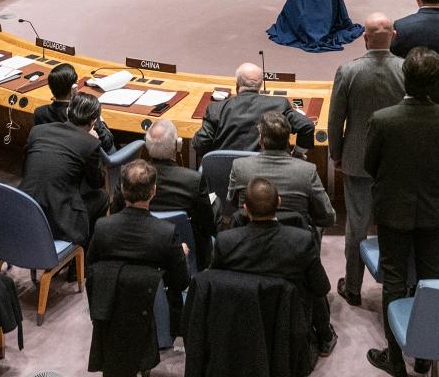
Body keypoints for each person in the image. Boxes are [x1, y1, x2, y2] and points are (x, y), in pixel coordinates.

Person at [365, 47, 439, 377]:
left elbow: (370, 165)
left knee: (393, 279)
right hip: (434, 211)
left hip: (393, 210)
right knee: (429, 279)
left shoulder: (383, 119)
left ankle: (394, 359)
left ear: (404, 77)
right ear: (437, 82)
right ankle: (425, 354)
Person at [327, 12, 405, 306]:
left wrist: (337, 154)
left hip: (357, 160)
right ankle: (394, 286)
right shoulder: (407, 70)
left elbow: (336, 121)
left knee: (356, 226)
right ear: (394, 36)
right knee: (394, 225)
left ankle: (354, 287)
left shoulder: (347, 71)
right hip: (395, 162)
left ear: (364, 38)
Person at [87, 160, 191, 377]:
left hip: (109, 307)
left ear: (122, 189)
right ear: (153, 191)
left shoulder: (103, 227)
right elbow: (181, 281)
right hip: (147, 306)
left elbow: (92, 268)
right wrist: (182, 254)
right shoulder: (165, 233)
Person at [214, 177, 337, 357]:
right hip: (290, 337)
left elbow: (215, 285)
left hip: (242, 333)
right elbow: (321, 288)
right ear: (279, 202)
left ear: (245, 209)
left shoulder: (225, 242)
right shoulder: (302, 241)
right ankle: (325, 338)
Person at [22, 92, 107, 245]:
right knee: (102, 197)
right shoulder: (90, 143)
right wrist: (93, 141)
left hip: (24, 209)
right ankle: (81, 261)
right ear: (94, 120)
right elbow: (96, 182)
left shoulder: (38, 131)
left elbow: (26, 168)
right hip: (57, 221)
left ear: (68, 111)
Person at [226, 112, 335, 228]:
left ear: (261, 140)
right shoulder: (307, 171)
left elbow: (231, 203)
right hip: (296, 242)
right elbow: (327, 217)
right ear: (288, 138)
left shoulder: (240, 167)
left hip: (248, 241)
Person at [192, 63, 314, 155]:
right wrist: (297, 155)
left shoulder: (216, 109)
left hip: (225, 178)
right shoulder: (279, 105)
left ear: (237, 85)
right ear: (260, 86)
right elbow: (307, 126)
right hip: (268, 180)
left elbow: (199, 145)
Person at [138, 119, 215, 259]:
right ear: (178, 145)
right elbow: (208, 226)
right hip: (187, 251)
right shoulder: (193, 180)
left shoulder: (131, 177)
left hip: (143, 248)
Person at [32, 63, 116, 150]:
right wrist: (99, 119)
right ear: (74, 88)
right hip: (85, 158)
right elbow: (107, 144)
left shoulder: (40, 113)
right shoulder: (84, 112)